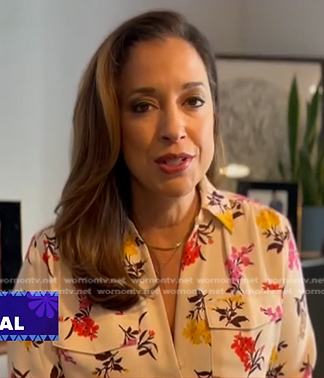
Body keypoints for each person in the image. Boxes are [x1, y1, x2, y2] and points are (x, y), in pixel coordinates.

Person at [7, 10, 316, 378]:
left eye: (193, 101)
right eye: (143, 106)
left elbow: (297, 370)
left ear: (214, 112)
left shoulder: (270, 236)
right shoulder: (46, 258)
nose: (173, 128)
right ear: (110, 125)